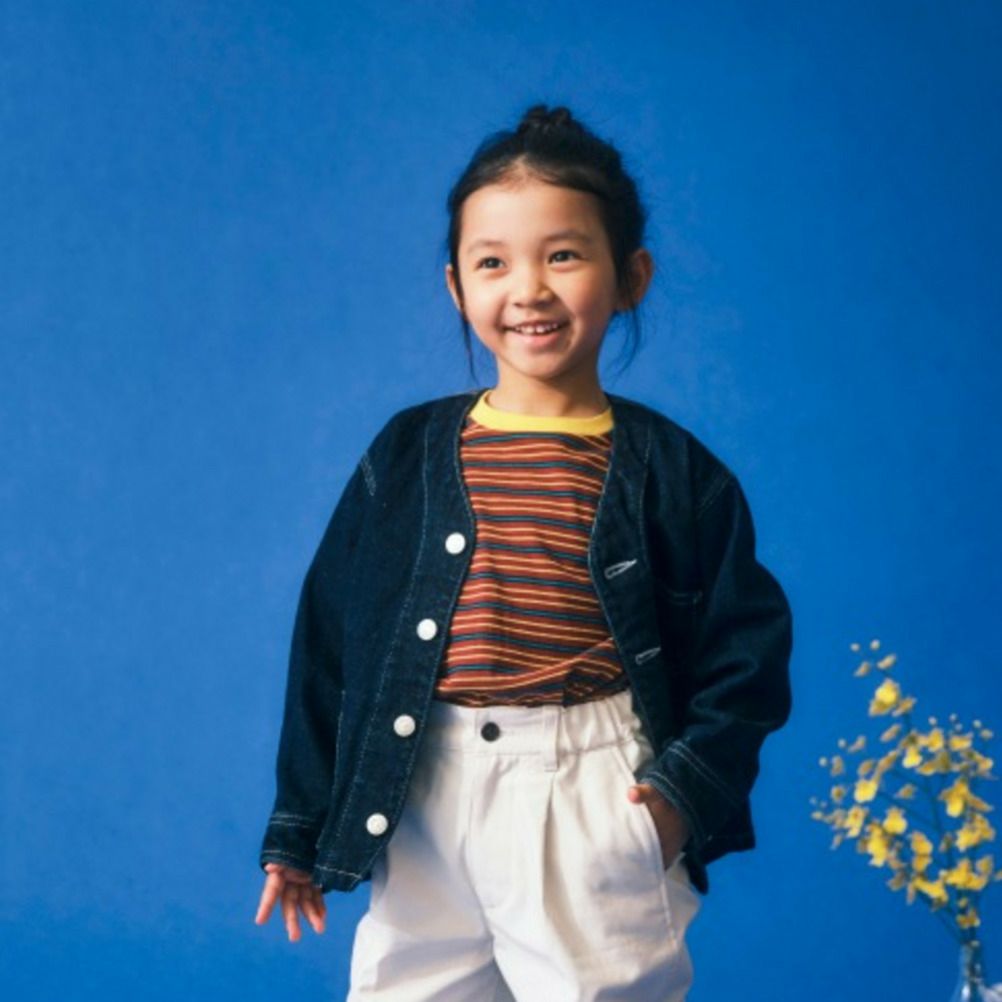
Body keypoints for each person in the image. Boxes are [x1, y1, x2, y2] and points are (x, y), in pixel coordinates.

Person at [254, 103, 794, 1001]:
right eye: (493, 262)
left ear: (631, 277)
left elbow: (748, 655)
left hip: (589, 791)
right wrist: (300, 825)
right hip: (422, 787)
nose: (529, 288)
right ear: (456, 287)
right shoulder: (406, 455)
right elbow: (328, 642)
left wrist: (680, 797)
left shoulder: (675, 474)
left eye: (564, 255)